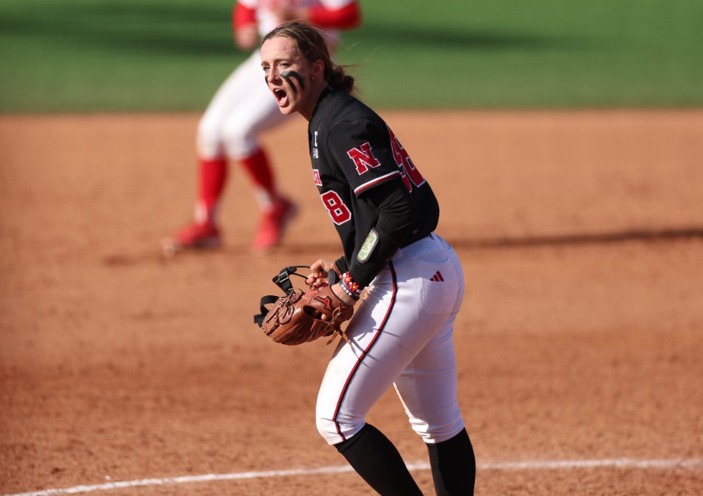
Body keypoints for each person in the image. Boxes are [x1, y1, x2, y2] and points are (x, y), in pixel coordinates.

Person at [260, 21, 477, 495]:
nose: (273, 76)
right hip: (430, 270)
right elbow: (383, 217)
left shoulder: (342, 123)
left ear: (317, 67)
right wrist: (342, 269)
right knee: (438, 424)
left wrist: (348, 285)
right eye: (265, 68)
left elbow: (399, 210)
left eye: (284, 65)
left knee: (335, 418)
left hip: (409, 281)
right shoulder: (328, 119)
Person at [163, 0, 361, 255]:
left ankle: (274, 208)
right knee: (210, 131)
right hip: (265, 58)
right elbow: (246, 7)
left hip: (305, 65)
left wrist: (301, 14)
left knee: (238, 132)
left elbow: (350, 13)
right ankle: (207, 223)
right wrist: (243, 25)